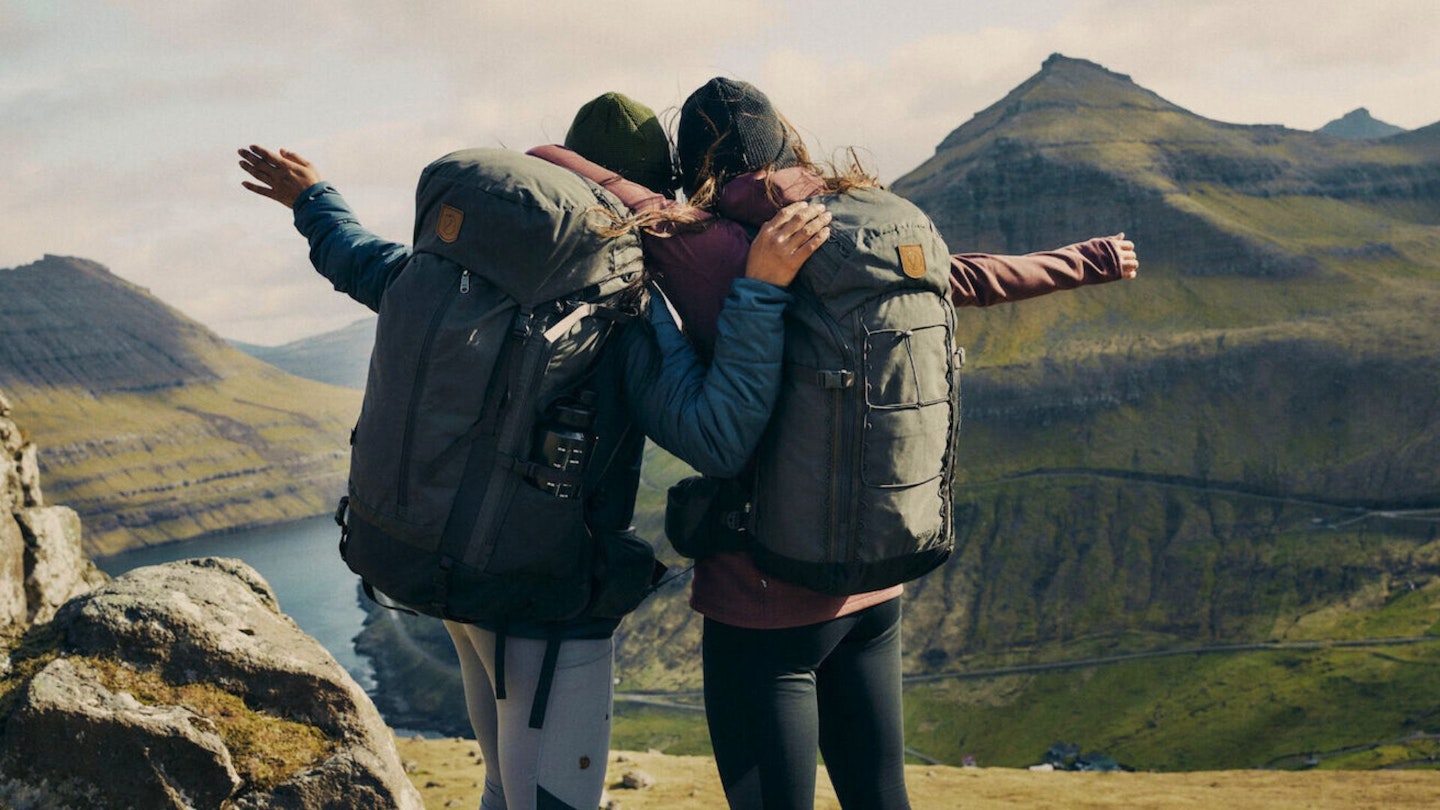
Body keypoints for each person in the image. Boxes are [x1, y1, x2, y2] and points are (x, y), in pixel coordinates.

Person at [550, 79, 1136, 810]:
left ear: (700, 167)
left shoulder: (716, 250)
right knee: (881, 799)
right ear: (789, 144)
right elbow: (972, 277)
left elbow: (633, 209)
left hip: (764, 600)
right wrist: (1092, 260)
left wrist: (556, 157)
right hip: (874, 589)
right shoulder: (865, 232)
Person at [237, 119, 831, 810]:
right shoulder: (622, 312)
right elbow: (718, 438)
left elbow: (356, 256)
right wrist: (761, 290)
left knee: (502, 783)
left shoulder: (456, 273)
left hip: (448, 573)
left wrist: (313, 199)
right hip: (543, 603)